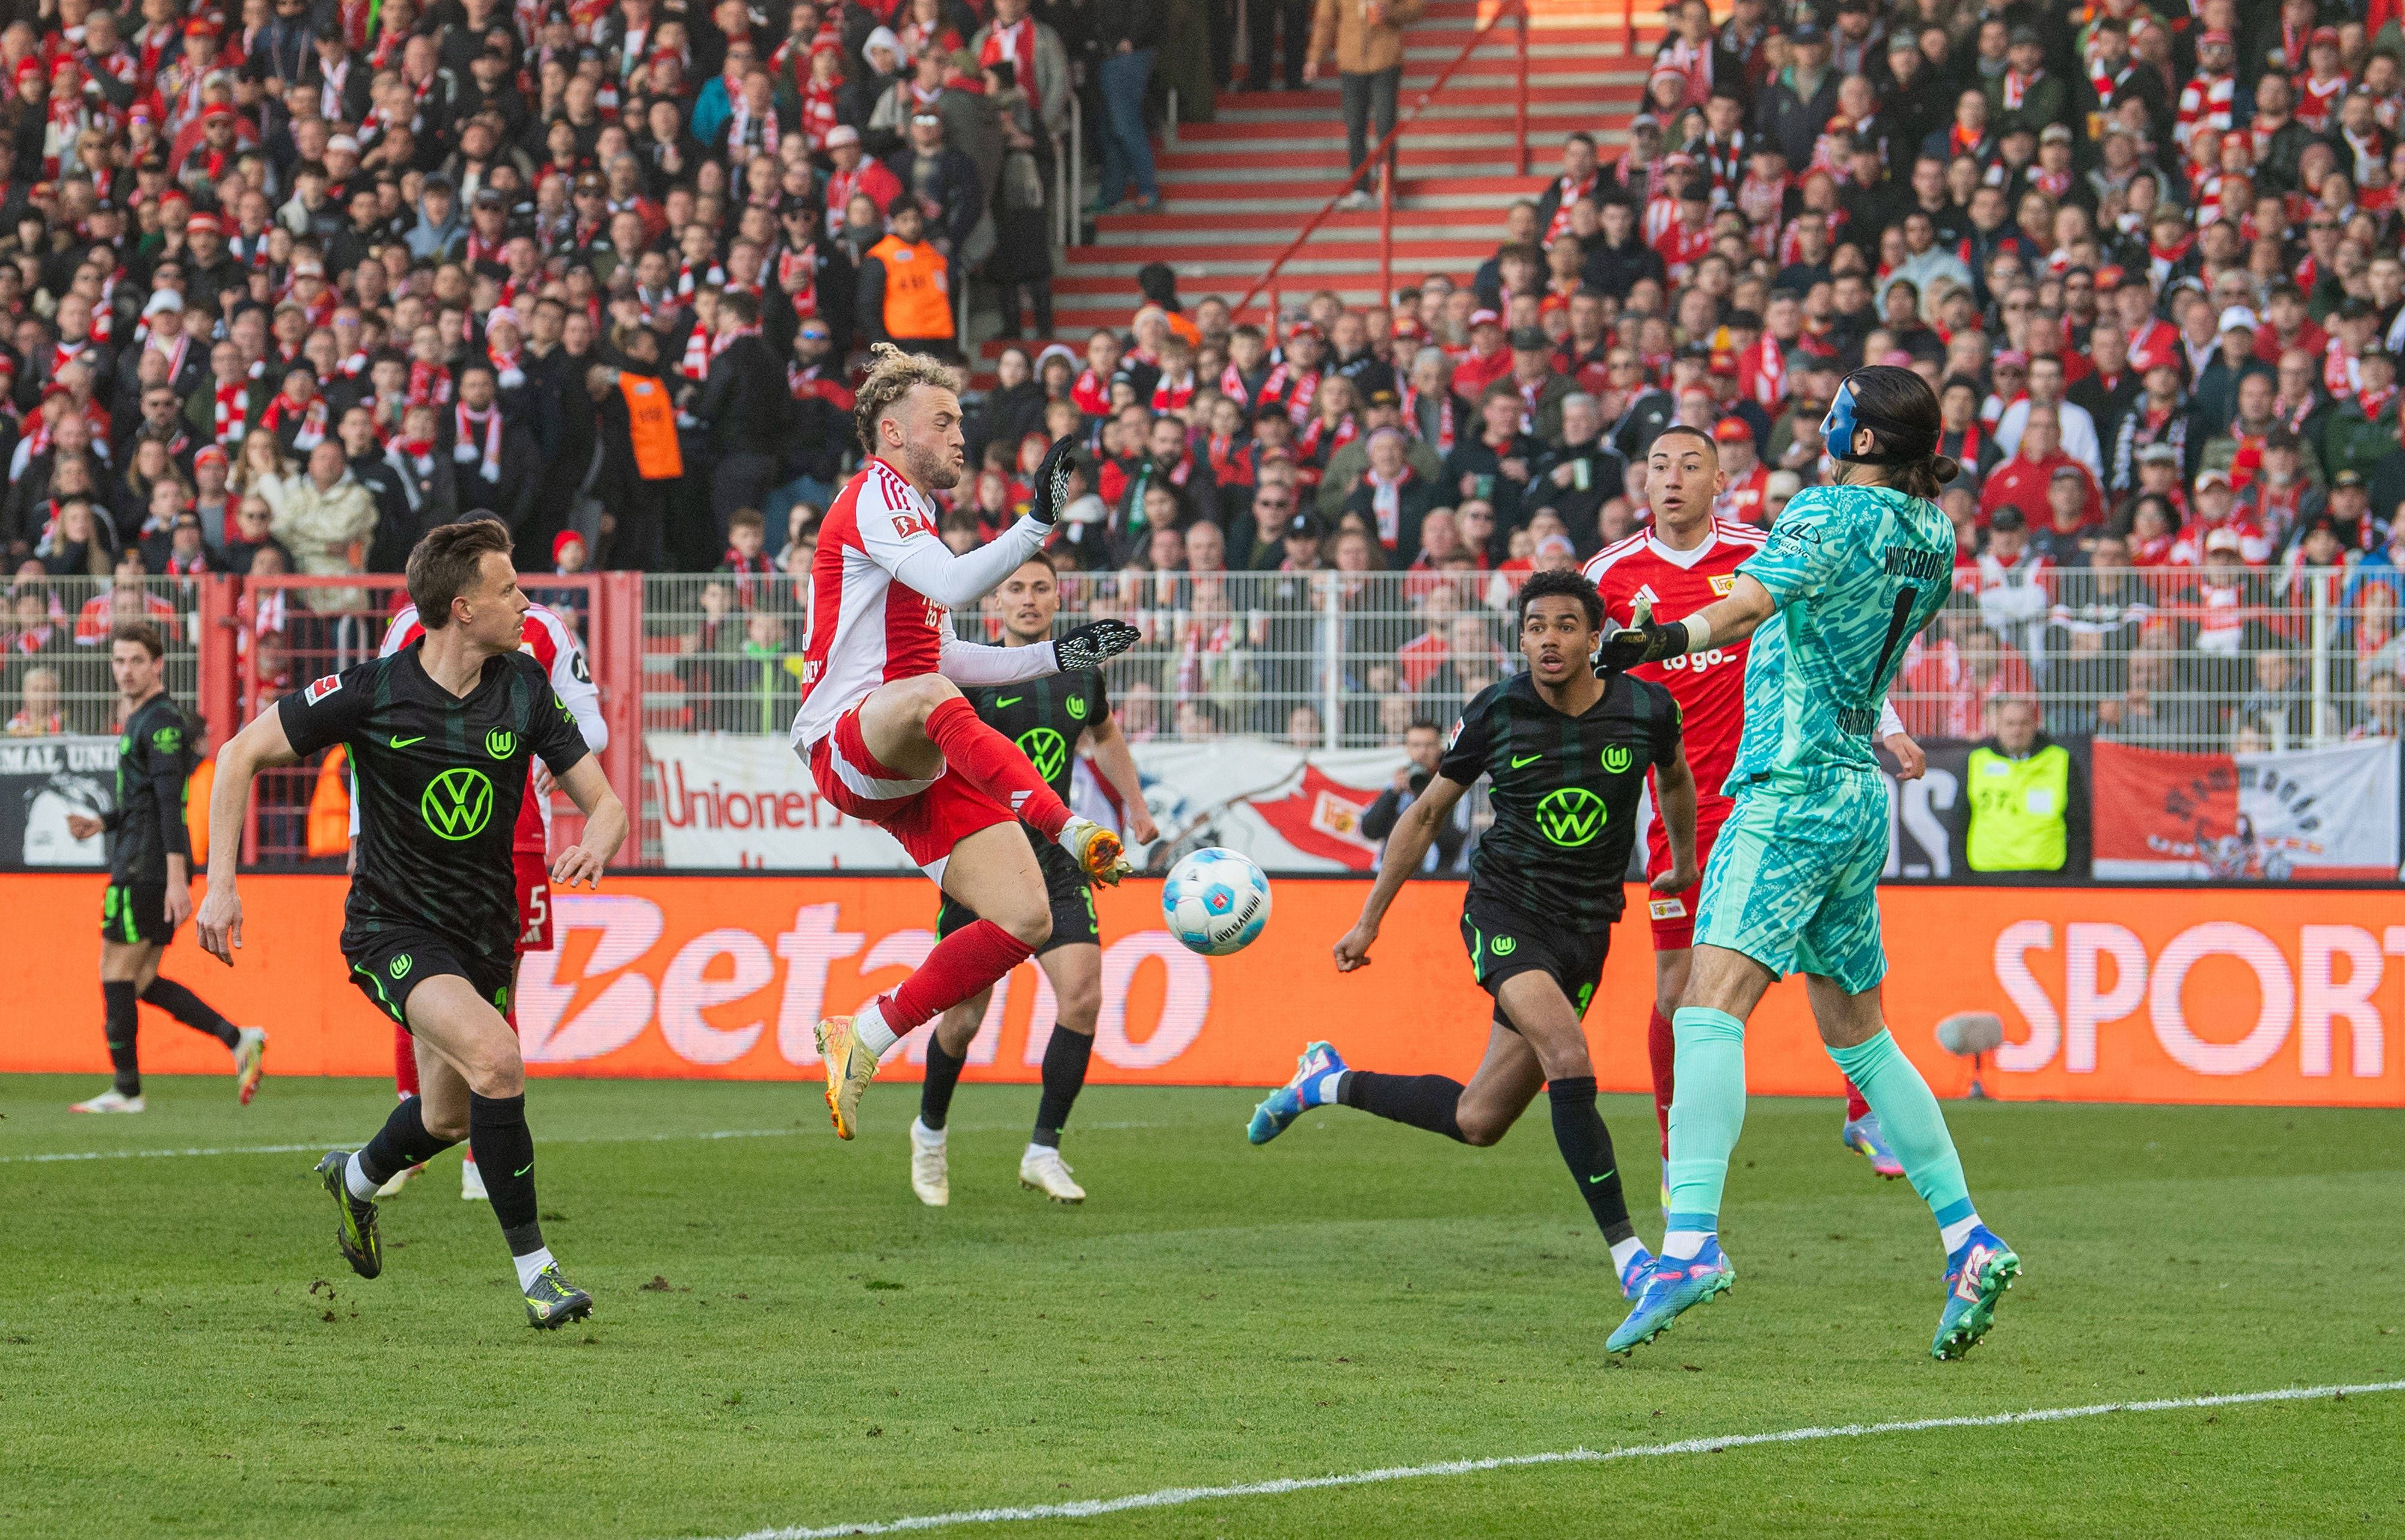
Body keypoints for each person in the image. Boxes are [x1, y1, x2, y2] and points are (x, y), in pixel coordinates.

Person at [1599, 365, 2019, 1360]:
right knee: (1860, 1038)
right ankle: (1967, 1236)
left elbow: (1744, 608)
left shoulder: (1826, 513)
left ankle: (1689, 1244)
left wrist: (1663, 638)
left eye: (1839, 409)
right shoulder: (1934, 534)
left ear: (1864, 438)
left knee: (1706, 1008)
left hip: (1786, 786)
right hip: (1857, 793)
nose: (1824, 419)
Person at [195, 518, 630, 1330]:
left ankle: (355, 1179)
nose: (524, 602)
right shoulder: (370, 690)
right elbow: (237, 756)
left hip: (482, 933)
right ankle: (538, 1275)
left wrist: (597, 842)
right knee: (499, 1060)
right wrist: (220, 886)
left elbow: (605, 803)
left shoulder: (525, 687)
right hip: (391, 929)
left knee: (447, 1116)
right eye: (508, 589)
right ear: (462, 608)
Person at [1248, 569, 1700, 1307]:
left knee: (1479, 1119)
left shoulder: (1646, 708)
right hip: (1505, 913)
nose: (1548, 640)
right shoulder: (1496, 711)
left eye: (1565, 626)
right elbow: (1427, 814)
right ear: (1520, 640)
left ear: (1595, 637)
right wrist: (1369, 918)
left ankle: (1325, 1081)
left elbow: (1675, 779)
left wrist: (1681, 861)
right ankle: (1633, 1260)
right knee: (1568, 1055)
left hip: (1588, 927)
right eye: (1535, 627)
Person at [794, 346, 1142, 1141]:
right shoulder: (875, 495)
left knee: (1026, 918)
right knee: (932, 696)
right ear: (892, 432)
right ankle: (1068, 827)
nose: (960, 436)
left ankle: (865, 1033)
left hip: (910, 754)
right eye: (943, 421)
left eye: (959, 421)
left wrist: (1056, 656)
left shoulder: (913, 518)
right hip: (845, 741)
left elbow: (947, 655)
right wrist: (1037, 523)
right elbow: (951, 601)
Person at [1587, 424, 1921, 1190]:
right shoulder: (1608, 574)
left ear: (1720, 482)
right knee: (1677, 991)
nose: (1673, 478)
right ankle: (1673, 1147)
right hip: (1678, 812)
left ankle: (1864, 1112)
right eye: (1660, 466)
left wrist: (1889, 726)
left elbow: (1829, 644)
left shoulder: (1761, 552)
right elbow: (1580, 671)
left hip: (1775, 788)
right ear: (1644, 483)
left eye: (1690, 466)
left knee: (1837, 953)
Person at [910, 553, 1159, 1207]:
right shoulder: (965, 676)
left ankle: (1044, 1150)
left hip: (1054, 857)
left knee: (1082, 996)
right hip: (983, 862)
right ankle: (929, 1133)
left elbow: (1104, 735)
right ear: (995, 604)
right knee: (964, 1019)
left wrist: (1135, 806)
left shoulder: (1081, 672)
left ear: (1057, 599)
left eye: (1040, 588)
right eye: (1015, 588)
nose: (1028, 598)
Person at [366, 596, 608, 1200]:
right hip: (414, 842)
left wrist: (565, 750)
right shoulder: (407, 627)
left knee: (498, 991)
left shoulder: (543, 630)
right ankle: (411, 1139)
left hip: (515, 837)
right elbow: (365, 737)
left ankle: (481, 1153)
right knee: (417, 990)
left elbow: (592, 723)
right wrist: (357, 831)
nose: (516, 595)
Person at [62, 622, 267, 1114]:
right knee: (140, 981)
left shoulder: (161, 723)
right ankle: (238, 1038)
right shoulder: (144, 719)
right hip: (144, 861)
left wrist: (178, 880)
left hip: (146, 869)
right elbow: (143, 801)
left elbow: (171, 805)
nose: (125, 671)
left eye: (136, 661)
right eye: (118, 661)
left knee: (114, 974)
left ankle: (127, 1090)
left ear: (158, 665)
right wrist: (102, 822)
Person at [1307, 0, 1423, 208]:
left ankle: (1386, 188)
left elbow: (1416, 7)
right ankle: (1360, 189)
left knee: (1386, 126)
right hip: (1350, 61)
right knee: (1355, 127)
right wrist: (1315, 57)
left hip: (1386, 59)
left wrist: (1392, 12)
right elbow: (1325, 19)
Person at [1964, 695, 2088, 877]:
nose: (2017, 730)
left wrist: (2074, 880)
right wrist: (1961, 879)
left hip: (2046, 873)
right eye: (2010, 724)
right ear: (1997, 726)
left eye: (2024, 723)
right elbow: (1959, 824)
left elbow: (2079, 826)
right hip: (1988, 873)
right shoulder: (1976, 761)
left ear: (2035, 725)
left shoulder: (2060, 761)